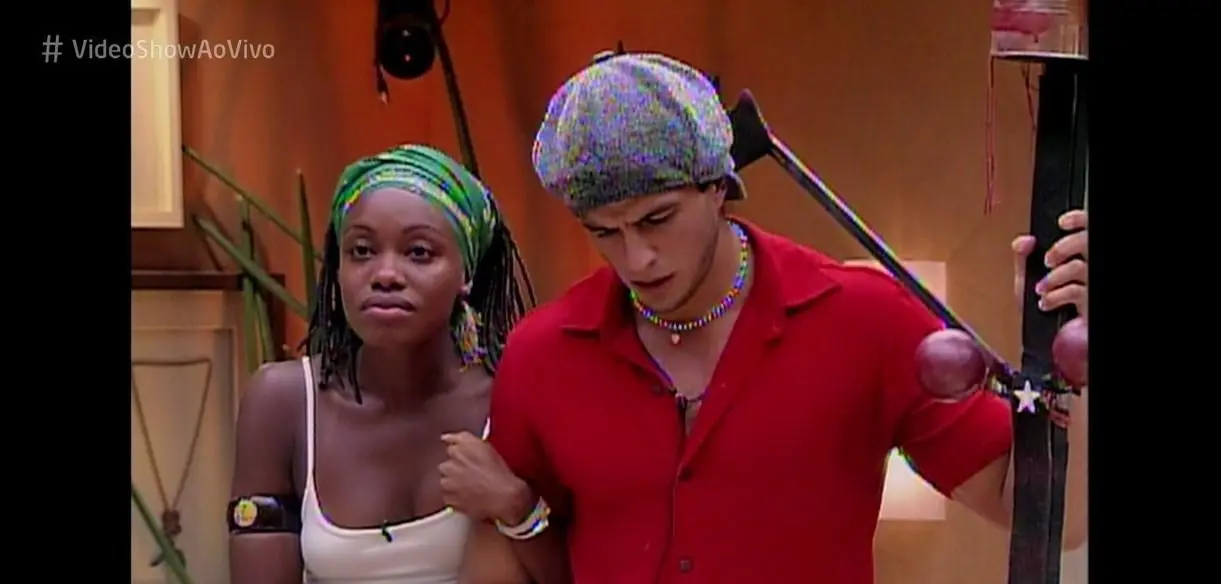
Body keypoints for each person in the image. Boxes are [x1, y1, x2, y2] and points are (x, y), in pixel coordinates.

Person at [440, 52, 1090, 584]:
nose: (636, 257)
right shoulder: (542, 353)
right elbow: (500, 565)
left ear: (718, 185)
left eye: (657, 219)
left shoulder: (866, 318)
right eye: (604, 232)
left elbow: (1054, 521)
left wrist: (1076, 347)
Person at [226, 144, 535, 584]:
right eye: (362, 251)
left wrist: (518, 507)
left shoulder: (512, 399)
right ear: (338, 269)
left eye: (419, 252)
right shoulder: (284, 402)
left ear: (465, 273)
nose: (385, 274)